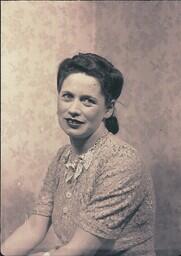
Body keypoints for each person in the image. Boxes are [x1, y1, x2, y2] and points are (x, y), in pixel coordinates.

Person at [1, 53, 155, 256]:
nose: (73, 109)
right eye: (67, 96)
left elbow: (80, 250)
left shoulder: (123, 161)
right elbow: (34, 227)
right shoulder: (62, 157)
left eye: (87, 101)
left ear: (108, 108)